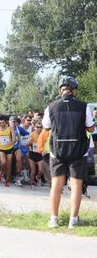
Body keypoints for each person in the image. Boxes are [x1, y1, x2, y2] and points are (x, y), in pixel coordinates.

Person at [42, 76, 95, 229]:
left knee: (56, 185)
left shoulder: (51, 106)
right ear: (74, 91)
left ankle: (54, 219)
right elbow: (90, 128)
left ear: (61, 91)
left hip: (57, 150)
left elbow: (46, 127)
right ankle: (73, 220)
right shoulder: (84, 106)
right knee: (76, 185)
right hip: (78, 150)